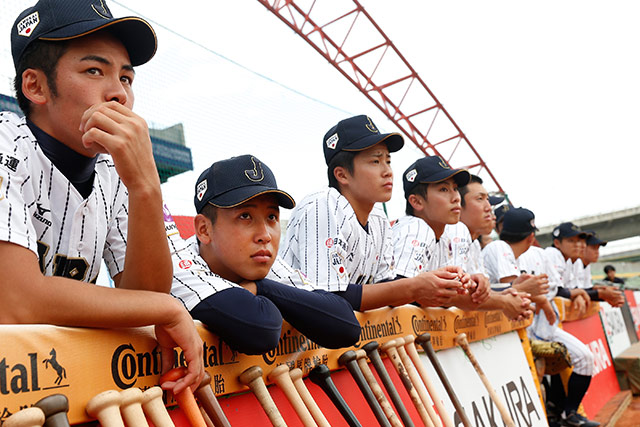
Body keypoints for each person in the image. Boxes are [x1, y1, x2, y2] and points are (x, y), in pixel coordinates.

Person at [0, 0, 203, 393]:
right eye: (94, 70)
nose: (119, 94)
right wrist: (165, 308)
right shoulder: (6, 144)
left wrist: (146, 187)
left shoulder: (115, 170)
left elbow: (144, 294)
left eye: (126, 78)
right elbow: (16, 303)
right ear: (35, 86)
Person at [169, 155, 361, 354]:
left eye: (271, 217)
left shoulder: (260, 261)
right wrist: (265, 292)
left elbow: (346, 326)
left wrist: (261, 287)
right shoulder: (178, 263)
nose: (265, 235)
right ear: (204, 230)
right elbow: (262, 329)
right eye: (245, 216)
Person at [280, 115, 469, 311]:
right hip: (286, 335)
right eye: (375, 161)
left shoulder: (378, 218)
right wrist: (414, 287)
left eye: (388, 161)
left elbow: (385, 287)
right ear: (342, 174)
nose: (387, 171)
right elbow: (328, 298)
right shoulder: (323, 204)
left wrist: (440, 281)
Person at [483, 210, 599, 427]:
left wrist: (541, 299)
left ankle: (565, 414)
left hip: (523, 329)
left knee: (576, 360)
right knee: (534, 374)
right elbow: (514, 293)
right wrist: (542, 300)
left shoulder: (520, 254)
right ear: (530, 237)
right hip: (500, 335)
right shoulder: (500, 248)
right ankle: (552, 416)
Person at [392, 160, 530, 319]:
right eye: (444, 189)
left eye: (455, 189)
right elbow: (400, 293)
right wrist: (502, 301)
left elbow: (457, 295)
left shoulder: (441, 234)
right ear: (416, 201)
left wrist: (490, 292)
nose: (456, 197)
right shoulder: (415, 228)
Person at [578, 231, 624, 306]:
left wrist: (608, 297)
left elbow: (585, 291)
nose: (597, 252)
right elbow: (571, 293)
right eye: (593, 248)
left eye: (598, 248)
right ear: (582, 247)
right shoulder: (574, 263)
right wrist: (602, 294)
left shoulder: (586, 266)